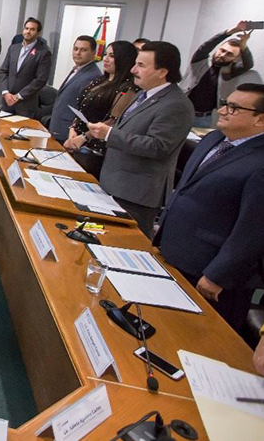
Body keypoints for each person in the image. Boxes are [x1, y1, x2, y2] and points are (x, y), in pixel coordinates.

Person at [154, 83, 264, 332]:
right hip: (175, 250)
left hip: (210, 271)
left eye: (234, 108)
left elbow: (252, 231)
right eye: (225, 103)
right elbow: (186, 189)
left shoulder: (259, 162)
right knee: (163, 326)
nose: (223, 110)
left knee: (196, 336)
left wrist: (217, 275)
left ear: (260, 120)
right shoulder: (214, 139)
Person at [85, 41, 194, 236]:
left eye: (141, 65)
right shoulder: (143, 95)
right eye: (135, 63)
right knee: (99, 237)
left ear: (162, 71)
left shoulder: (176, 104)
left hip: (136, 194)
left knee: (121, 244)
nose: (133, 69)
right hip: (114, 183)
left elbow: (158, 146)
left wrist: (109, 134)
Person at [63, 41, 139, 178]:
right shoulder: (99, 80)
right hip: (76, 141)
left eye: (112, 56)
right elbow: (81, 109)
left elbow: (113, 120)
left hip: (94, 148)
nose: (105, 59)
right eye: (105, 54)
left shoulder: (127, 88)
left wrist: (84, 137)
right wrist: (73, 130)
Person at [181, 22, 254, 127]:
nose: (223, 55)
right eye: (222, 50)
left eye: (229, 54)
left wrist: (243, 45)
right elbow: (205, 47)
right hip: (180, 112)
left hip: (202, 118)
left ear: (235, 58)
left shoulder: (229, 71)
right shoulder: (199, 62)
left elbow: (248, 64)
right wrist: (230, 32)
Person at [47, 35, 102, 141]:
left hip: (69, 133)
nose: (77, 53)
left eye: (83, 50)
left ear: (94, 53)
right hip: (58, 128)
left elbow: (83, 108)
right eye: (75, 49)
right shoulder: (77, 70)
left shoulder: (92, 76)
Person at [0, 18, 52, 118]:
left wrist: (18, 96)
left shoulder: (43, 53)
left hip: (25, 104)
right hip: (7, 101)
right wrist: (5, 93)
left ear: (38, 33)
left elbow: (40, 79)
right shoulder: (13, 48)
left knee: (20, 133)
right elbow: (3, 72)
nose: (28, 31)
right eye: (26, 28)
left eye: (32, 29)